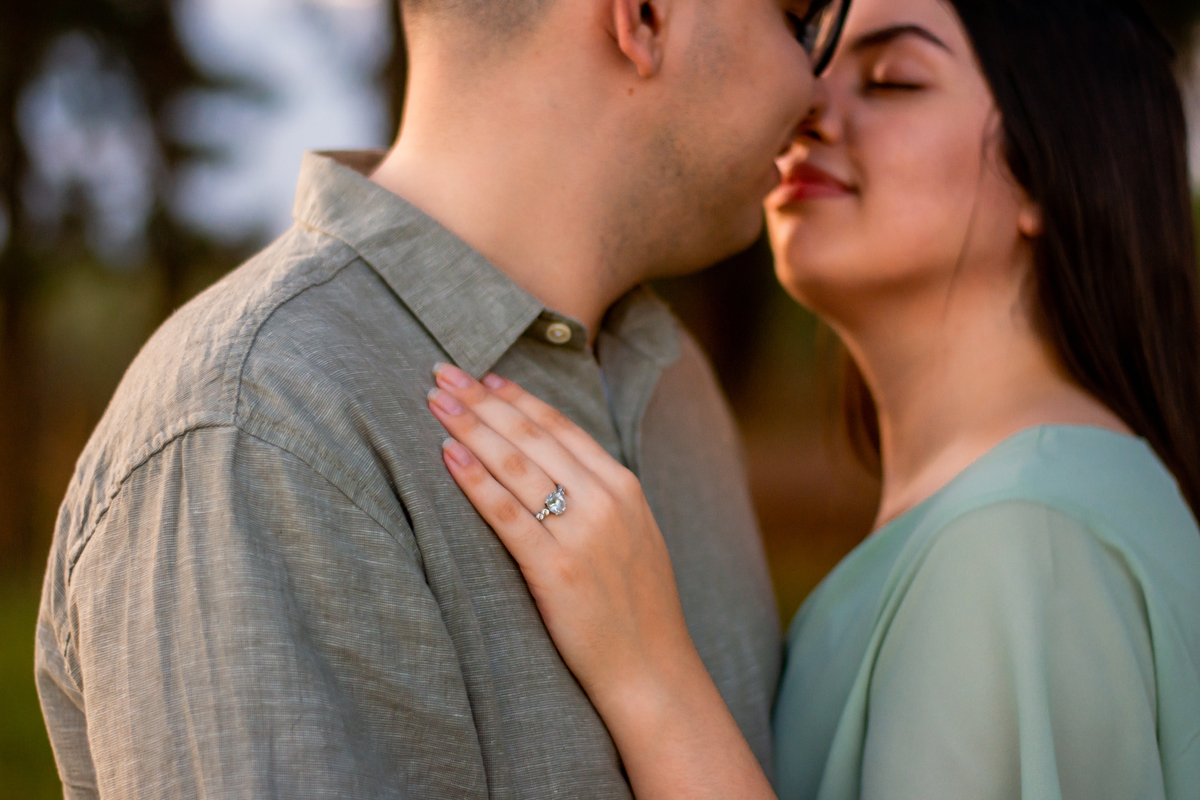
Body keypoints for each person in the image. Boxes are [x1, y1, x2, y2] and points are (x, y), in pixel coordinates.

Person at [35, 0, 849, 796]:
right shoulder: (256, 433)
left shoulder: (673, 382)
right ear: (643, 17)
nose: (816, 92)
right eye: (797, 19)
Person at [427, 0, 1200, 798]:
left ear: (1051, 168)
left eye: (893, 81)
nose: (806, 105)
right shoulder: (1040, 505)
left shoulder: (1022, 540)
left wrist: (650, 673)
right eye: (814, 61)